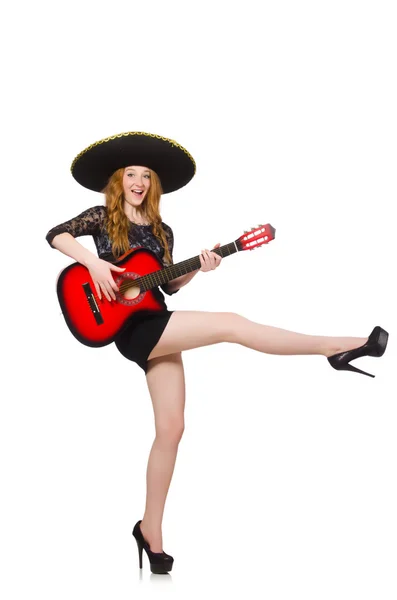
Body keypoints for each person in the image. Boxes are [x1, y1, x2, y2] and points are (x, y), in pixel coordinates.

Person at [46, 131, 389, 574]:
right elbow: (56, 235)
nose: (138, 181)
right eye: (131, 174)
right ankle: (337, 347)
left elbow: (165, 284)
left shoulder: (163, 230)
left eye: (146, 175)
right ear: (118, 181)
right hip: (130, 329)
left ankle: (150, 530)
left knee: (171, 430)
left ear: (153, 184)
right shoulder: (101, 215)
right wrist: (93, 263)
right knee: (230, 324)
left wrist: (200, 268)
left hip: (156, 320)